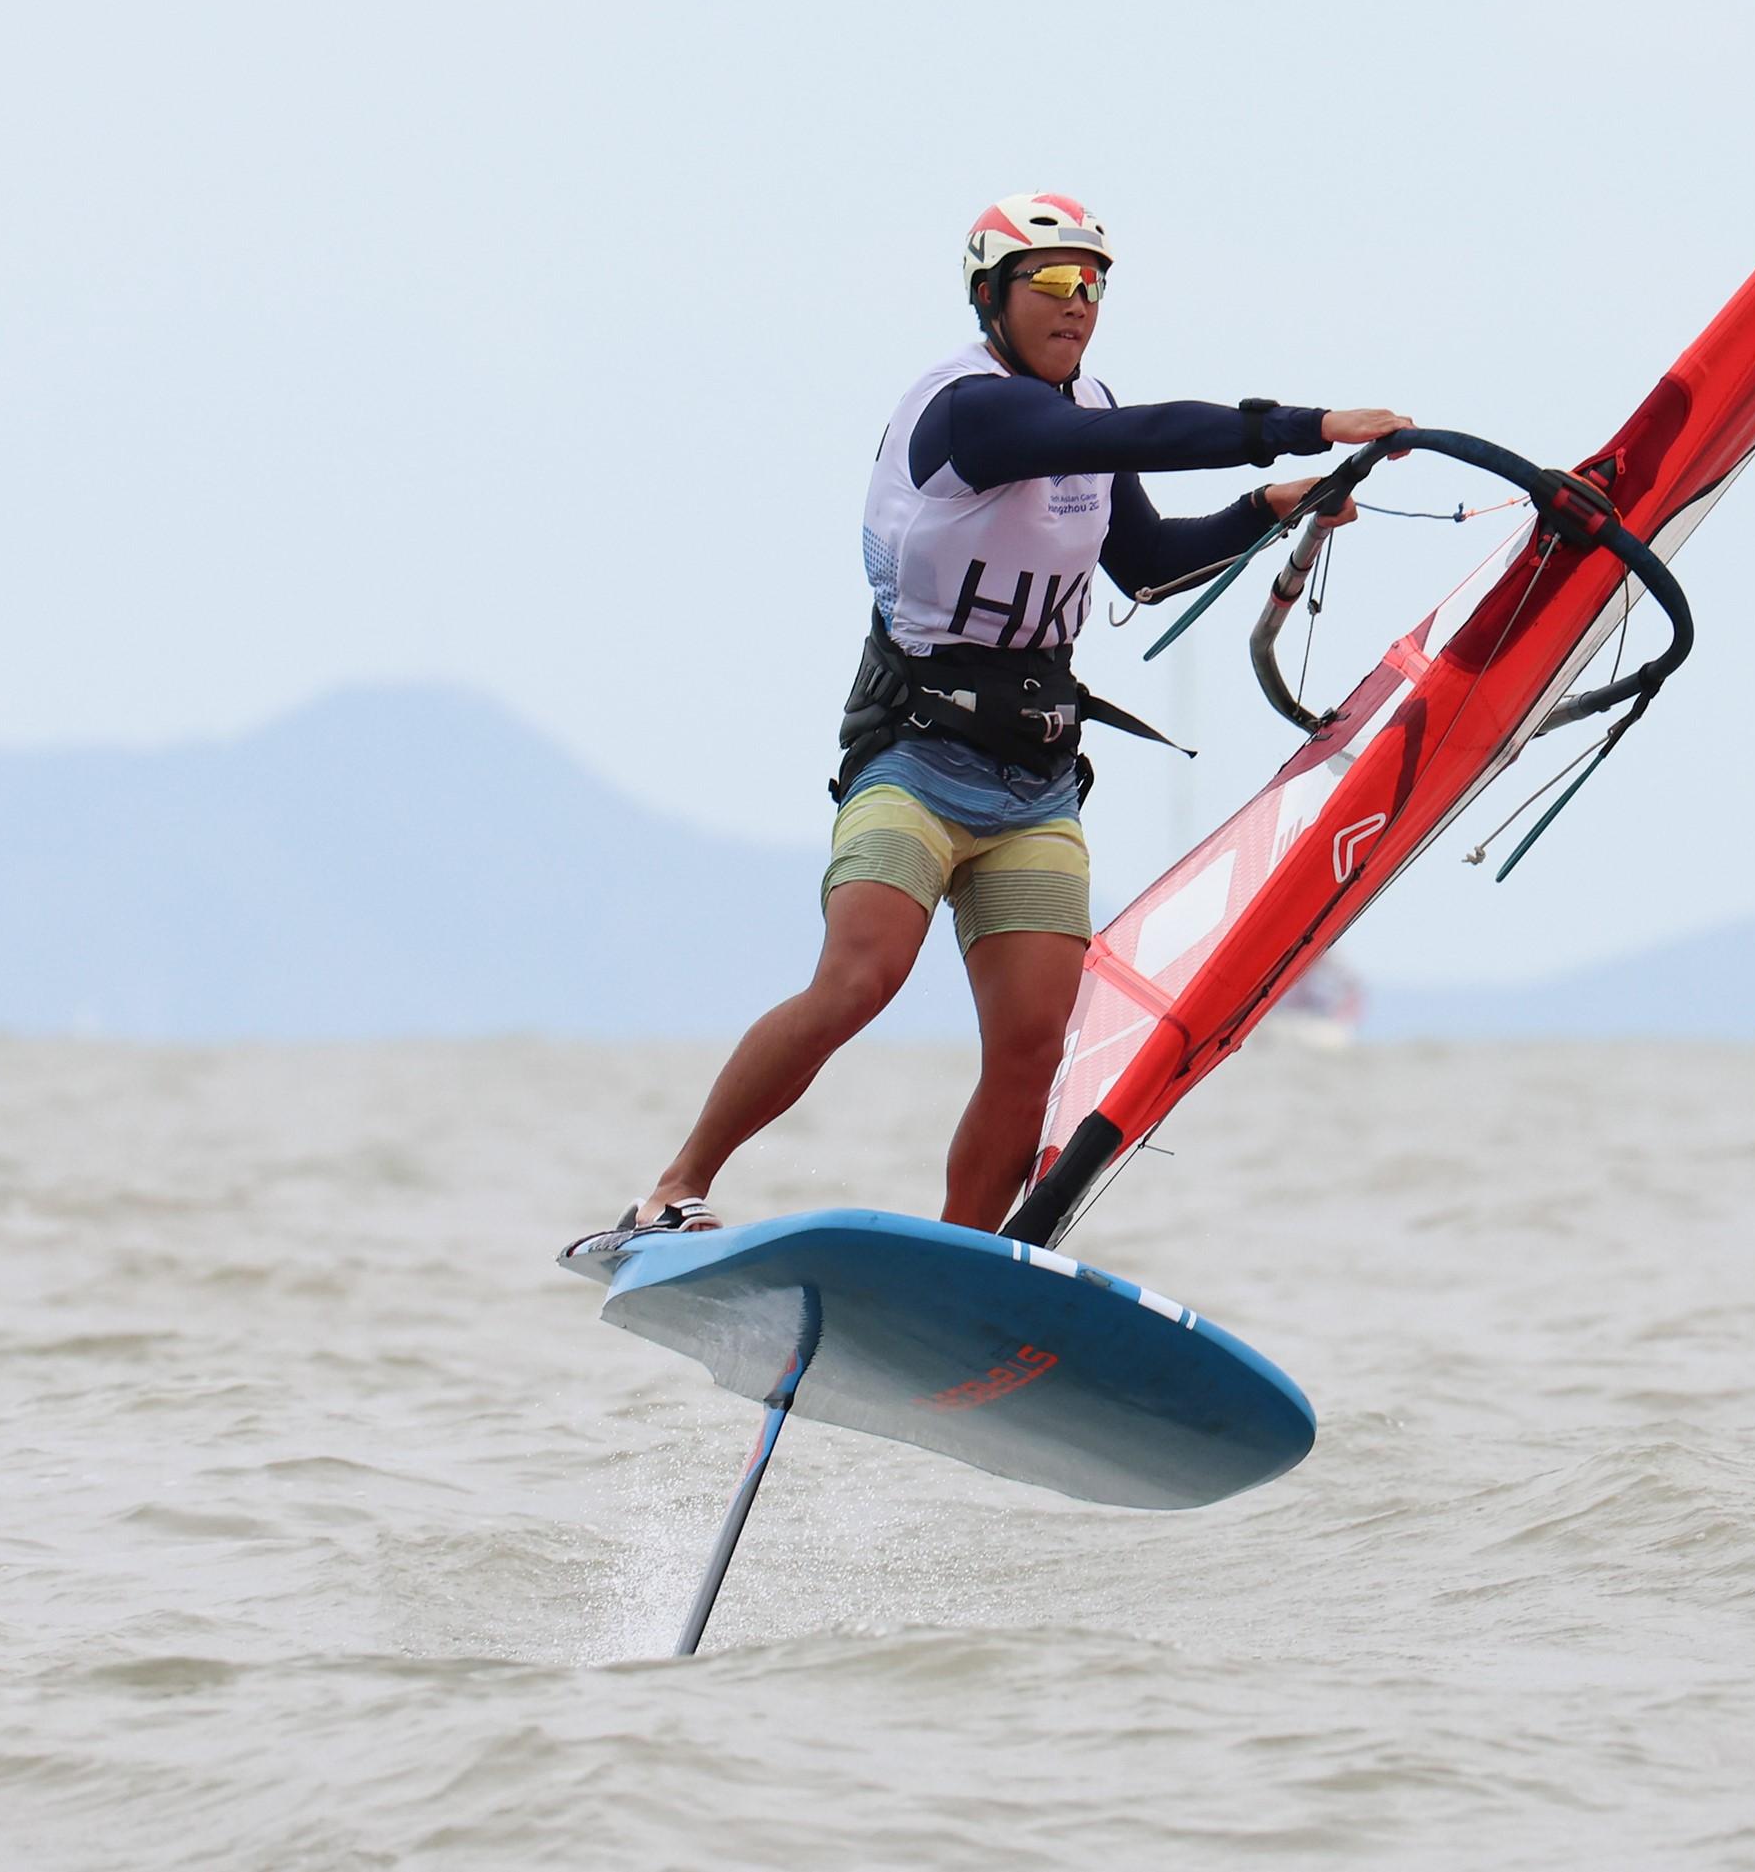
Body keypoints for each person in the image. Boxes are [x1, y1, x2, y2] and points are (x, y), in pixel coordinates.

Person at [570, 193, 1409, 1254]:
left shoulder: (1085, 406)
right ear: (990, 295)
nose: (1077, 304)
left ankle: (962, 1268)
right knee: (859, 979)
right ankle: (670, 1190)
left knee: (1030, 1047)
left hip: (1035, 784)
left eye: (1093, 285)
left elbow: (1145, 567)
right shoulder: (970, 409)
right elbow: (1127, 436)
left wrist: (1273, 507)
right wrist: (1305, 423)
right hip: (913, 762)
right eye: (1051, 283)